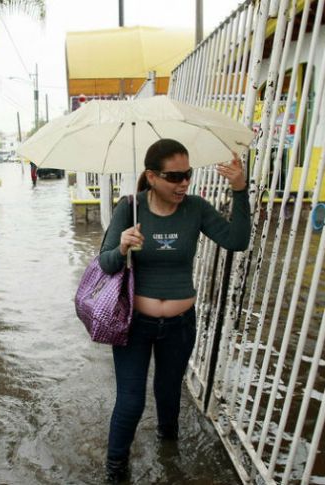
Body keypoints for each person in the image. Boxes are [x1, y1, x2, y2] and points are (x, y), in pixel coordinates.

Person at [98, 138, 250, 483]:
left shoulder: (196, 208)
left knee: (169, 395)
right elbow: (105, 265)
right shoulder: (129, 207)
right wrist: (122, 246)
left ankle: (170, 456)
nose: (184, 183)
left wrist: (240, 190)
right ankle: (115, 470)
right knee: (131, 401)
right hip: (134, 325)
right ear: (151, 176)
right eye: (174, 176)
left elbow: (237, 240)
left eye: (188, 174)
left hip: (181, 326)